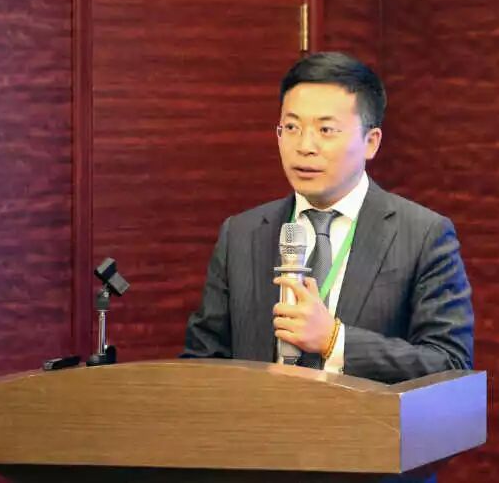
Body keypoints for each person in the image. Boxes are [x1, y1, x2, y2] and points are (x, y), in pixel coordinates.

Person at [182, 52, 473, 384]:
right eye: (292, 127)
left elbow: (451, 364)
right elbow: (203, 361)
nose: (305, 146)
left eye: (326, 130)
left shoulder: (422, 236)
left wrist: (335, 341)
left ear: (371, 142)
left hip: (364, 418)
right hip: (259, 417)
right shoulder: (241, 234)